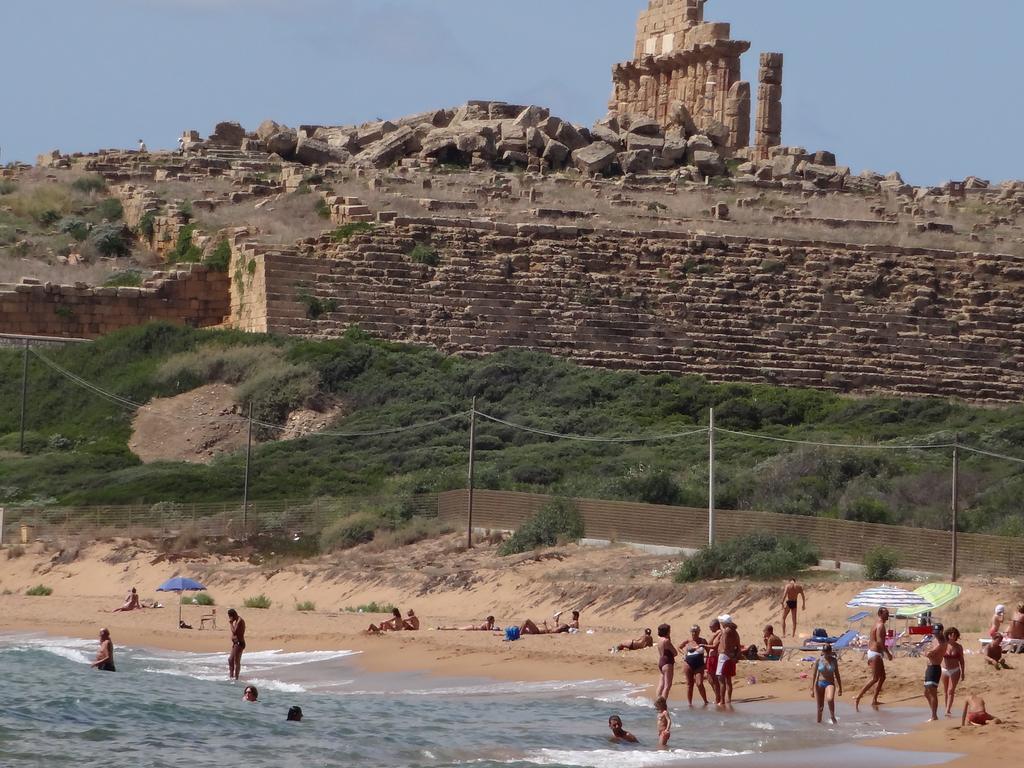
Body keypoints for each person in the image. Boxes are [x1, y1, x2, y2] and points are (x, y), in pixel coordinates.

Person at [854, 607, 893, 711]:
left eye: (888, 613)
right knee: (875, 678)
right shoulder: (880, 626)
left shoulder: (877, 624)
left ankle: (874, 699)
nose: (888, 615)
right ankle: (858, 696)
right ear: (880, 614)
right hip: (875, 654)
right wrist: (888, 653)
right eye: (886, 614)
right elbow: (880, 642)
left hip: (875, 653)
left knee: (883, 677)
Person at [811, 643, 842, 725]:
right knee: (820, 708)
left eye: (828, 652)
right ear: (823, 652)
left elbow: (837, 674)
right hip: (819, 683)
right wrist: (812, 689)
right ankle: (819, 725)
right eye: (825, 652)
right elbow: (814, 675)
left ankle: (832, 716)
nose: (827, 654)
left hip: (830, 682)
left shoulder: (834, 660)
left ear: (831, 651)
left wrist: (840, 687)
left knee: (830, 699)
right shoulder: (818, 660)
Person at [922, 623, 948, 721]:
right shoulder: (935, 640)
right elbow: (928, 651)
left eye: (937, 632)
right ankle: (933, 712)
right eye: (934, 632)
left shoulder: (942, 643)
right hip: (930, 667)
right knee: (926, 692)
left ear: (941, 631)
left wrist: (927, 652)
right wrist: (927, 652)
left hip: (934, 668)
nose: (935, 634)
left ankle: (934, 715)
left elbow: (930, 654)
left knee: (932, 692)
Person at [715, 615, 741, 706]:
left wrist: (729, 656)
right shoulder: (735, 632)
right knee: (728, 680)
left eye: (721, 622)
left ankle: (722, 701)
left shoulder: (726, 632)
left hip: (724, 656)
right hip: (731, 656)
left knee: (721, 679)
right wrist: (735, 657)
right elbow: (738, 646)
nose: (720, 623)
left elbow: (725, 647)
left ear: (724, 623)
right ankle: (728, 699)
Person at [680, 625, 709, 706]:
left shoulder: (703, 641)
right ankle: (690, 703)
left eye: (696, 632)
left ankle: (705, 701)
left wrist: (707, 662)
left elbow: (708, 651)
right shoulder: (688, 641)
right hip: (688, 664)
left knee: (699, 683)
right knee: (689, 685)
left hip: (699, 664)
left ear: (699, 632)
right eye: (692, 632)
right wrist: (684, 654)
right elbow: (679, 647)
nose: (694, 633)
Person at [942, 627, 965, 717]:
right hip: (944, 670)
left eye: (954, 634)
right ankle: (946, 708)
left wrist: (963, 672)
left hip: (955, 670)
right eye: (951, 634)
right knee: (945, 691)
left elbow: (962, 661)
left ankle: (948, 710)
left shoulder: (959, 647)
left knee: (951, 691)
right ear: (947, 635)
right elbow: (937, 655)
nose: (953, 636)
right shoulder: (944, 645)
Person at [655, 624, 677, 701]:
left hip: (661, 661)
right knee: (667, 685)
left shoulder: (660, 640)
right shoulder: (666, 641)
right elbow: (675, 653)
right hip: (667, 662)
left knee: (661, 684)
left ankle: (657, 701)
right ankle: (662, 704)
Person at [704, 618, 723, 705]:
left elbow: (715, 646)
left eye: (711, 627)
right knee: (710, 678)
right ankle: (717, 696)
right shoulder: (716, 633)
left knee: (713, 678)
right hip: (710, 657)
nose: (710, 628)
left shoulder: (720, 633)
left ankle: (718, 697)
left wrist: (703, 645)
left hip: (714, 657)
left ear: (716, 626)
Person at [228, 608, 245, 680]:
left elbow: (234, 631)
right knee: (230, 660)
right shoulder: (236, 620)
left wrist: (231, 623)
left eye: (230, 616)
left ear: (233, 615)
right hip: (235, 644)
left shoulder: (239, 621)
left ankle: (236, 678)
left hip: (239, 643)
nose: (229, 618)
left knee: (236, 661)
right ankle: (231, 676)